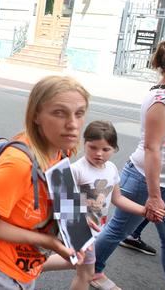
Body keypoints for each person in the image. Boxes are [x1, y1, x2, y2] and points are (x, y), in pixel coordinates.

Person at [92, 41, 165, 290]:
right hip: (145, 181)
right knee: (117, 231)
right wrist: (154, 196)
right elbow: (152, 147)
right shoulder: (160, 99)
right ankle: (91, 269)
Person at [0, 75, 89, 289]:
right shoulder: (18, 164)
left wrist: (78, 222)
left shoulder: (59, 148)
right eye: (59, 113)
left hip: (25, 265)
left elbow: (57, 195)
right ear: (36, 114)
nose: (73, 125)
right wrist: (48, 242)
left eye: (79, 113)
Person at [42, 121, 153, 290]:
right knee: (86, 273)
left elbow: (118, 199)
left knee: (78, 264)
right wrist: (79, 218)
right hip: (78, 230)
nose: (99, 154)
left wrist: (144, 211)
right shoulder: (77, 169)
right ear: (84, 143)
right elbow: (59, 200)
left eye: (105, 149)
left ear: (114, 149)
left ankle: (32, 266)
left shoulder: (112, 168)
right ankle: (31, 267)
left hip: (95, 230)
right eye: (93, 147)